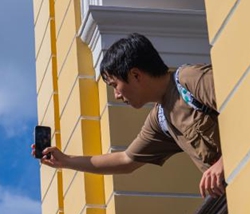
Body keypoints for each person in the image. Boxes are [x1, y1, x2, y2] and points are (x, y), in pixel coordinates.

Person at [34, 33, 225, 199]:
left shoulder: (190, 79)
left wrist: (224, 163)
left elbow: (247, 100)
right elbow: (126, 160)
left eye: (115, 85)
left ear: (135, 75)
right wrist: (65, 161)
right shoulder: (160, 119)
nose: (117, 95)